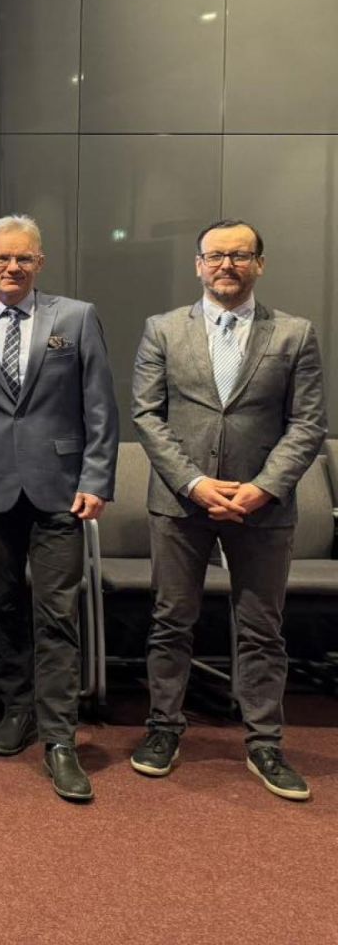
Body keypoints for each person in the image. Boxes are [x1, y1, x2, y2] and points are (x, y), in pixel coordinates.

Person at [129, 219, 326, 801]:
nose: (226, 265)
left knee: (262, 628)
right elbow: (147, 415)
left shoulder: (294, 333)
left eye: (239, 255)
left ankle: (265, 742)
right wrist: (193, 483)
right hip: (180, 502)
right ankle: (164, 728)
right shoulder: (163, 329)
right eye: (215, 255)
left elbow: (308, 422)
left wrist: (264, 487)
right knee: (171, 621)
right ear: (198, 265)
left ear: (259, 264)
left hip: (262, 507)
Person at [0, 216, 117, 802]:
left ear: (39, 263)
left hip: (61, 491)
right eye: (1, 258)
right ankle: (18, 708)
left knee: (57, 612)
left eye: (23, 258)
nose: (12, 267)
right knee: (3, 605)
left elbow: (100, 406)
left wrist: (97, 478)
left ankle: (60, 738)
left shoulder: (76, 317)